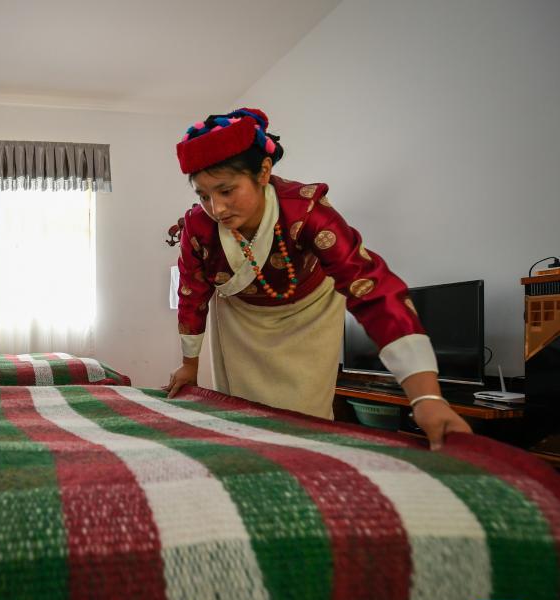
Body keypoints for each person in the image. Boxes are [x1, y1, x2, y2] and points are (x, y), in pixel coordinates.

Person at [163, 107, 471, 450]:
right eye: (203, 195)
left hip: (309, 315)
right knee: (243, 420)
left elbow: (371, 288)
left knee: (303, 422)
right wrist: (189, 365)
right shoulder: (198, 226)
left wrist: (426, 396)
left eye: (226, 191)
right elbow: (192, 293)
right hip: (240, 321)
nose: (216, 208)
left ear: (263, 171)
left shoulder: (307, 212)